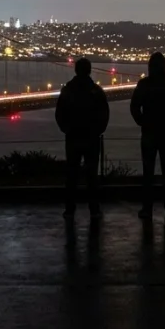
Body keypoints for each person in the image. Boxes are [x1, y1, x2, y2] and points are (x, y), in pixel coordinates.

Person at [130, 52, 165, 219]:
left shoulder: (143, 85)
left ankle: (147, 209)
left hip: (149, 133)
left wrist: (142, 122)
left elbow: (134, 107)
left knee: (148, 173)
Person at [55, 57, 110, 218]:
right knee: (92, 174)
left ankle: (69, 209)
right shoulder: (96, 91)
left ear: (75, 70)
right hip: (91, 137)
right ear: (90, 70)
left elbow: (59, 113)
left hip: (73, 137)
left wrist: (66, 130)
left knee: (71, 173)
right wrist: (98, 130)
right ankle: (94, 209)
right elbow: (104, 114)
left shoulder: (67, 90)